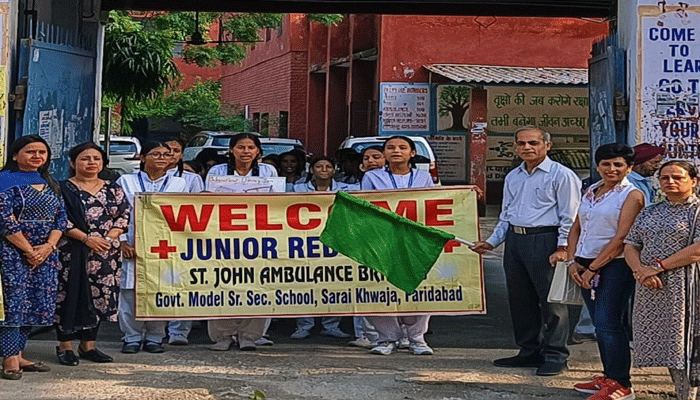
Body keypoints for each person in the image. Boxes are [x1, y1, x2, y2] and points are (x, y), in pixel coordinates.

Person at [470, 125, 581, 376]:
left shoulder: (562, 175)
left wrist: (563, 247)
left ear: (547, 146)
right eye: (521, 143)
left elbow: (571, 216)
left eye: (533, 143)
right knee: (520, 299)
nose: (527, 148)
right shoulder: (514, 176)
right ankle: (529, 350)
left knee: (551, 301)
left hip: (546, 239)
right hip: (516, 241)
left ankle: (556, 355)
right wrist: (492, 241)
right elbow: (506, 214)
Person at [566, 144, 644, 400]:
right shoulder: (591, 190)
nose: (612, 169)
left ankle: (622, 384)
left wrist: (593, 268)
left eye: (618, 164)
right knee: (600, 325)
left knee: (610, 324)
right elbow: (577, 227)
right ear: (598, 166)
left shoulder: (632, 195)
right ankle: (608, 376)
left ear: (629, 168)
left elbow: (622, 238)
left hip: (614, 266)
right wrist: (572, 261)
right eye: (606, 164)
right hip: (583, 263)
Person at [624, 160, 700, 400]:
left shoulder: (697, 211)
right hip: (653, 288)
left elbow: (697, 250)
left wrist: (657, 267)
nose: (670, 182)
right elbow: (631, 244)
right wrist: (640, 271)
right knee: (670, 346)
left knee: (688, 344)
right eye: (665, 177)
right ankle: (682, 393)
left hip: (687, 286)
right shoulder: (650, 211)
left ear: (694, 181)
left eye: (678, 177)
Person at [54, 143, 130, 366]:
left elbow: (123, 215)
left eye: (96, 159)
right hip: (71, 251)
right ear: (73, 163)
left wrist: (108, 238)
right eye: (85, 158)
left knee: (100, 297)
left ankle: (89, 345)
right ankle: (65, 346)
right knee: (69, 295)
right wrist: (87, 239)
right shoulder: (61, 188)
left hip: (105, 253)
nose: (91, 163)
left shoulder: (113, 189)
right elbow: (59, 219)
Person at [360, 136, 435, 356]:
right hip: (382, 240)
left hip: (415, 241)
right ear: (384, 154)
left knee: (420, 288)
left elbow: (434, 202)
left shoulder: (424, 176)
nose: (396, 151)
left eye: (403, 147)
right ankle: (386, 338)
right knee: (381, 287)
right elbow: (364, 205)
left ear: (412, 153)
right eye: (390, 148)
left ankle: (417, 338)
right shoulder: (372, 176)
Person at [0, 135, 67, 380]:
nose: (37, 156)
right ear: (15, 155)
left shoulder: (50, 182)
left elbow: (61, 218)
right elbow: (4, 220)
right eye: (30, 151)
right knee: (14, 304)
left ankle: (19, 354)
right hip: (12, 253)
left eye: (42, 152)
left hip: (45, 254)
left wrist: (48, 246)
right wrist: (29, 250)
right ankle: (9, 359)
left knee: (35, 303)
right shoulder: (4, 181)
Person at [205, 132, 276, 351]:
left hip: (258, 234)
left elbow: (278, 203)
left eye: (251, 147)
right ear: (231, 150)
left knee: (257, 284)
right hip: (224, 235)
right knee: (222, 284)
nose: (246, 152)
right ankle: (222, 336)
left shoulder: (268, 171)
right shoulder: (217, 171)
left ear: (258, 151)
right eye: (241, 147)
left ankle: (249, 336)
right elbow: (208, 200)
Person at [116, 142, 187, 354]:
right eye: (156, 154)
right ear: (142, 157)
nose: (162, 158)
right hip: (132, 242)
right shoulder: (125, 181)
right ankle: (131, 337)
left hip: (165, 246)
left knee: (161, 291)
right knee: (129, 293)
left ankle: (155, 337)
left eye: (166, 155)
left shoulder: (179, 183)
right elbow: (116, 213)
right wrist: (121, 241)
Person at [288, 156, 354, 340]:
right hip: (305, 239)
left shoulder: (346, 189)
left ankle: (331, 325)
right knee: (304, 282)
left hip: (335, 239)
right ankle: (304, 326)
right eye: (319, 166)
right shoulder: (298, 189)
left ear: (334, 170)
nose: (324, 169)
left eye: (328, 166)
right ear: (311, 170)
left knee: (335, 282)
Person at [163, 137, 204, 346]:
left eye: (176, 150)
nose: (171, 154)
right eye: (166, 150)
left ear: (182, 154)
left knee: (182, 282)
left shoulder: (191, 179)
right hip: (155, 237)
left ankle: (179, 331)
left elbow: (199, 208)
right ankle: (153, 331)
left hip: (182, 236)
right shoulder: (138, 177)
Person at [347, 145, 385, 349]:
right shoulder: (354, 187)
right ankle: (364, 334)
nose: (371, 161)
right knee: (363, 286)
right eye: (367, 158)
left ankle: (402, 335)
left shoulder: (412, 180)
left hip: (390, 240)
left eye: (376, 157)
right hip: (365, 239)